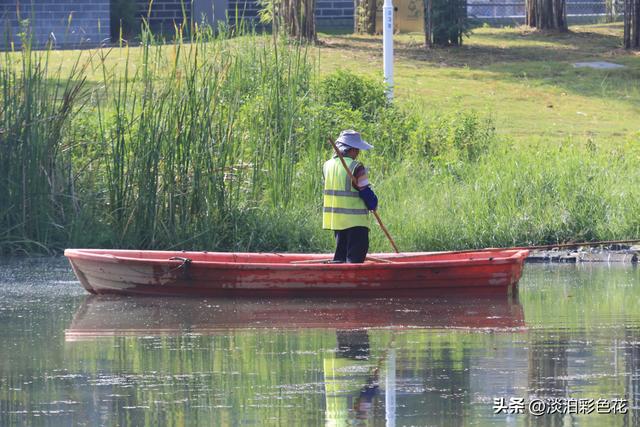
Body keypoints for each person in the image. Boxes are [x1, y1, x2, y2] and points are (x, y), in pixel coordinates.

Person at [323, 130, 378, 263]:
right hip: (355, 222)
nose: (358, 153)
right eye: (357, 149)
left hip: (337, 221)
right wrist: (373, 203)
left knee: (340, 259)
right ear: (351, 149)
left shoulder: (326, 166)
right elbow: (365, 191)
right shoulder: (356, 167)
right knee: (355, 260)